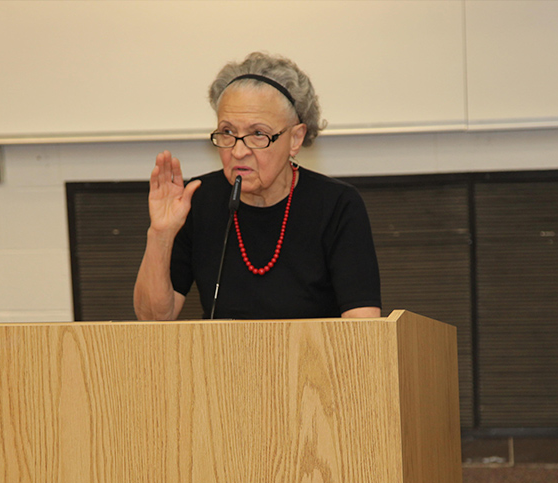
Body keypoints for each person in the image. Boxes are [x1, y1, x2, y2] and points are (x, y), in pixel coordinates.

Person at [134, 52, 381, 320]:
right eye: (228, 132)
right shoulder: (195, 200)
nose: (239, 151)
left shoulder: (337, 204)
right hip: (219, 360)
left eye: (258, 134)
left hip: (311, 360)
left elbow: (363, 330)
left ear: (295, 139)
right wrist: (160, 233)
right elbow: (153, 320)